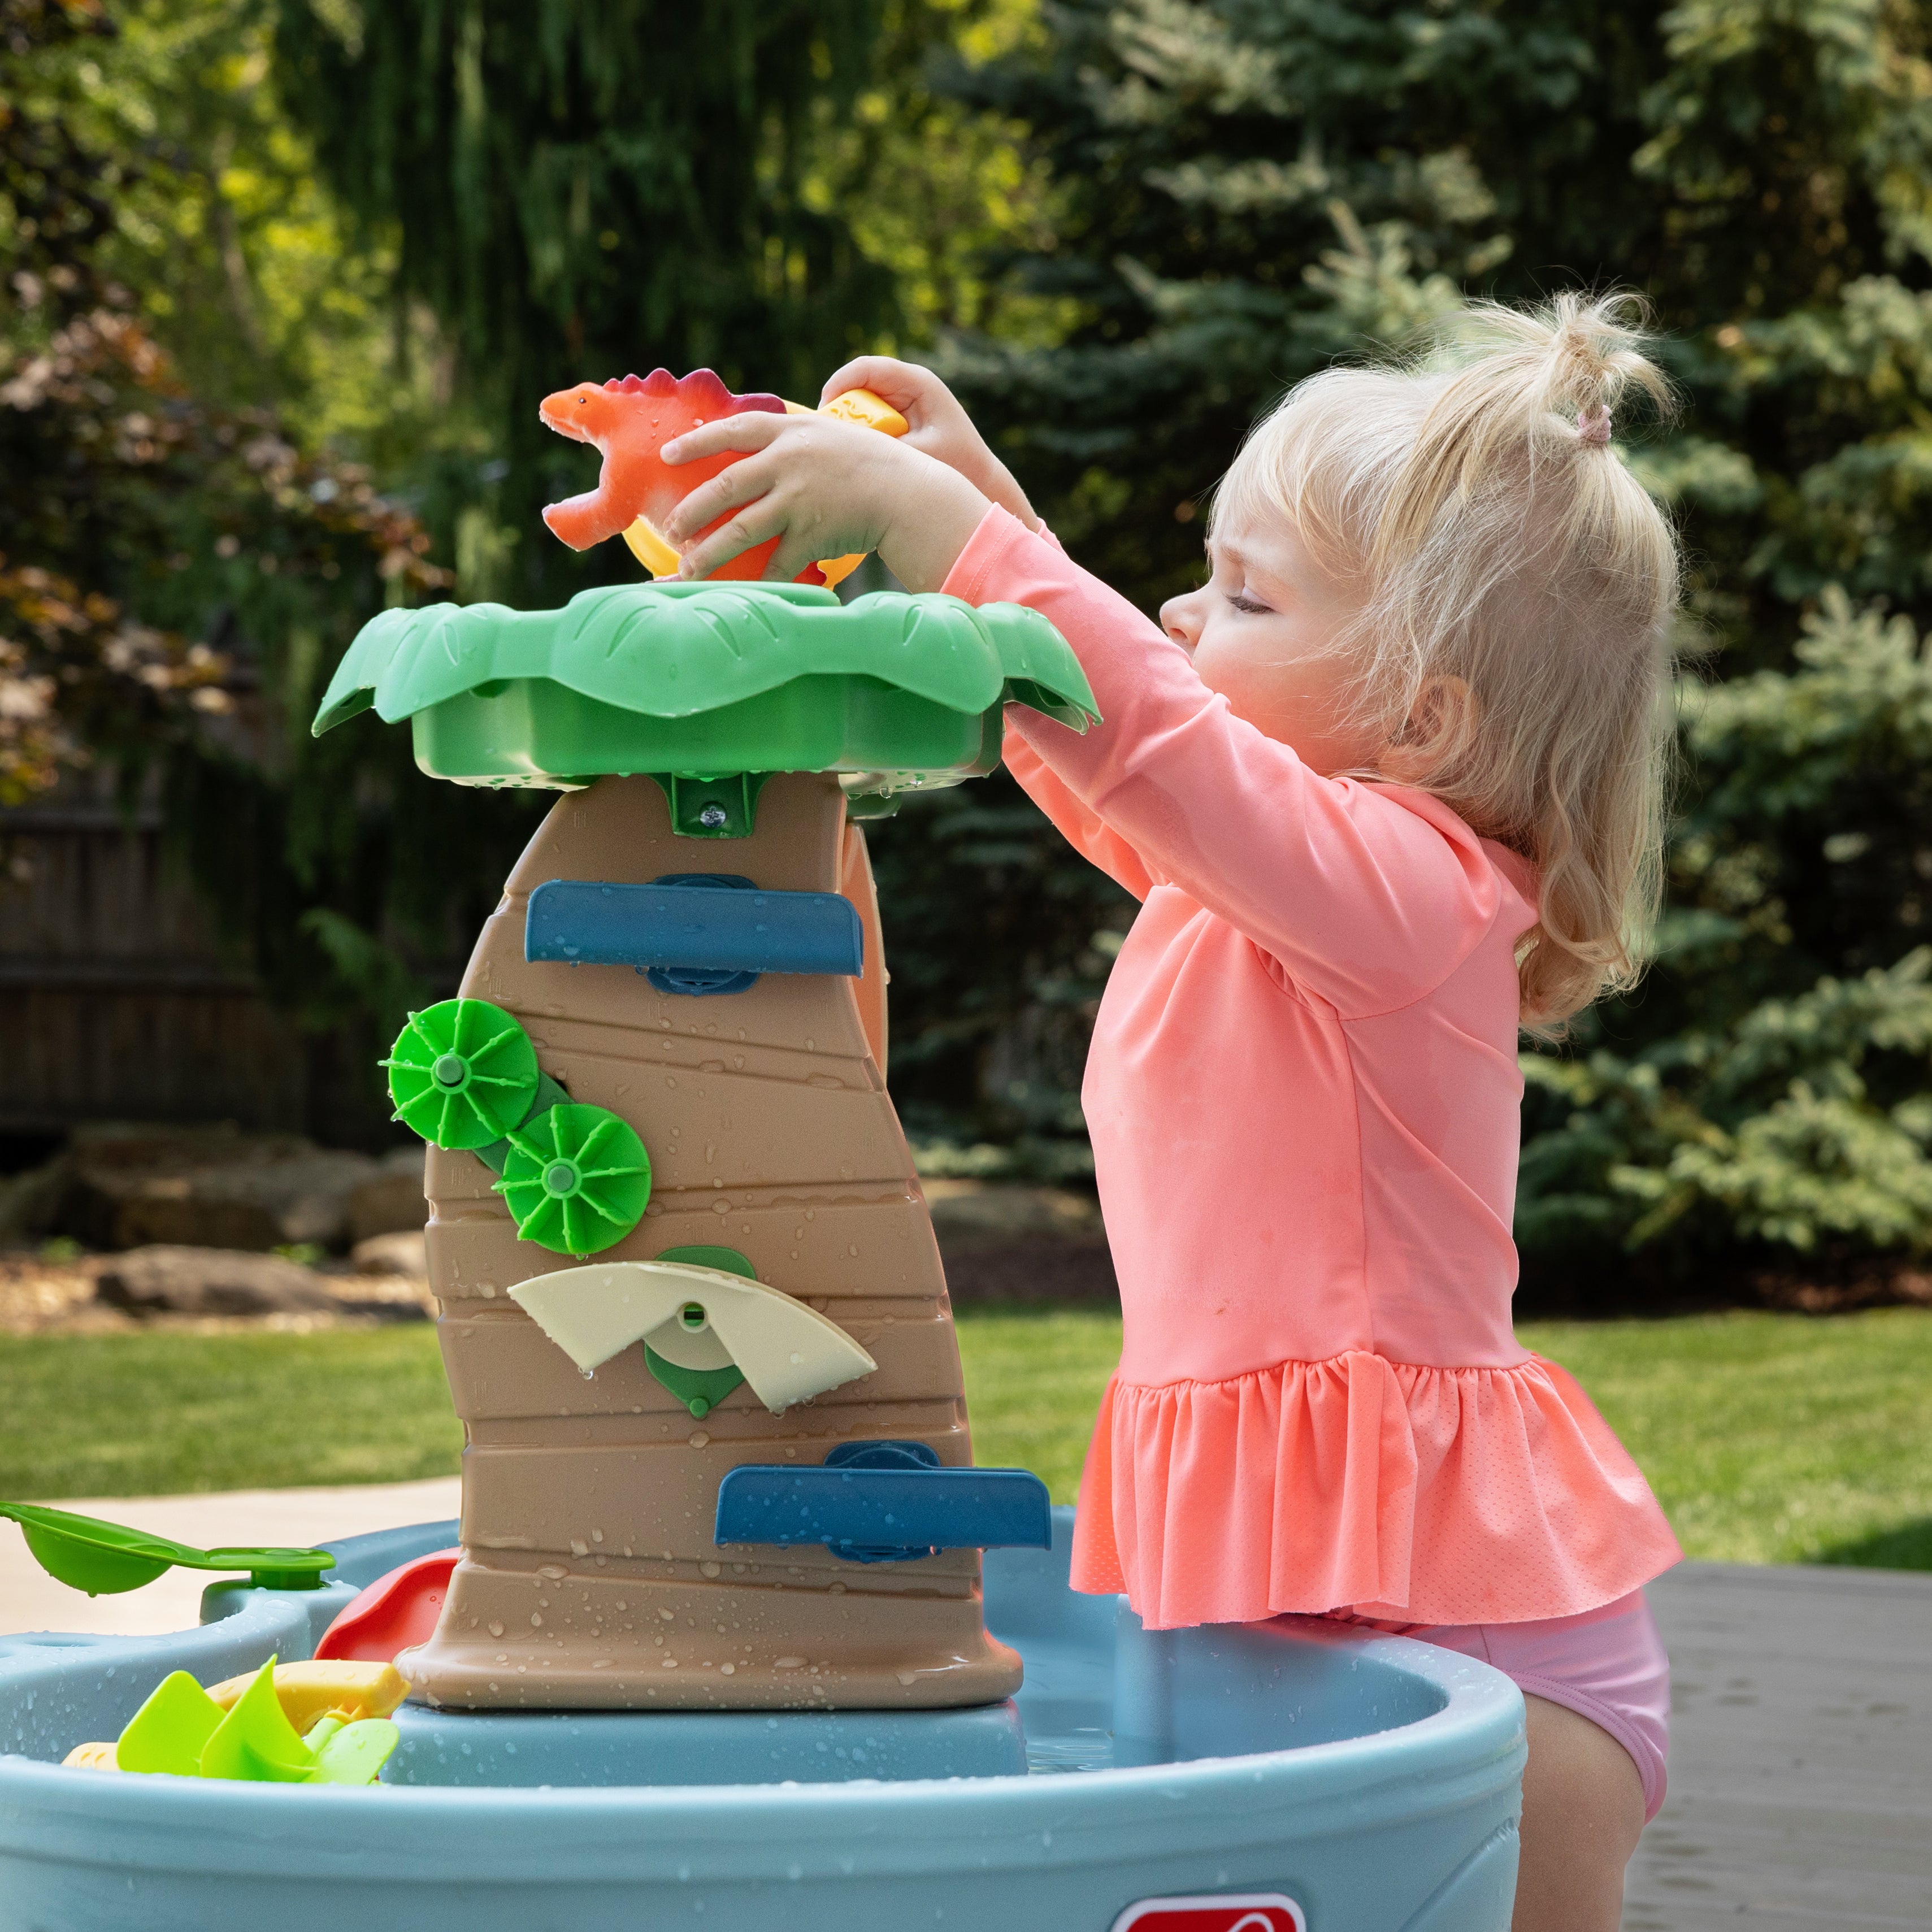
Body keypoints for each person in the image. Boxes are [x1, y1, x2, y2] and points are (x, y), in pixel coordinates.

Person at [659, 293, 1685, 1932]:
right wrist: (986, 532)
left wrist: (957, 537)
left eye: (1244, 591)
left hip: (1488, 1669)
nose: (1177, 610)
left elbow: (1165, 745)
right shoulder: (1281, 894)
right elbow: (1122, 762)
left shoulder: (1405, 894)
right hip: (1327, 1578)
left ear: (1421, 719)